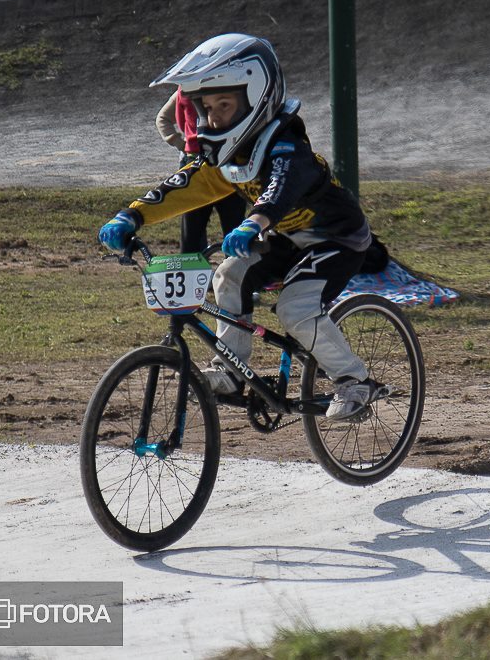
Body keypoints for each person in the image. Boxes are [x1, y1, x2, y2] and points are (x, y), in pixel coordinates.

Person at [99, 33, 383, 420]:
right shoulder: (229, 155)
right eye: (206, 106)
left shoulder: (287, 145)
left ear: (256, 96)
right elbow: (188, 184)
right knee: (227, 276)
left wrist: (254, 223)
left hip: (336, 238)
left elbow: (280, 189)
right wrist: (132, 215)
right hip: (285, 238)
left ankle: (354, 381)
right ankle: (231, 371)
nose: (213, 117)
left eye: (224, 104)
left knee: (296, 308)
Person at [155, 89, 248, 253]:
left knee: (234, 228)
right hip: (195, 161)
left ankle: (236, 273)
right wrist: (179, 143)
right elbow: (162, 119)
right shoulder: (183, 91)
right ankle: (193, 274)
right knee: (192, 230)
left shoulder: (222, 90)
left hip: (225, 160)